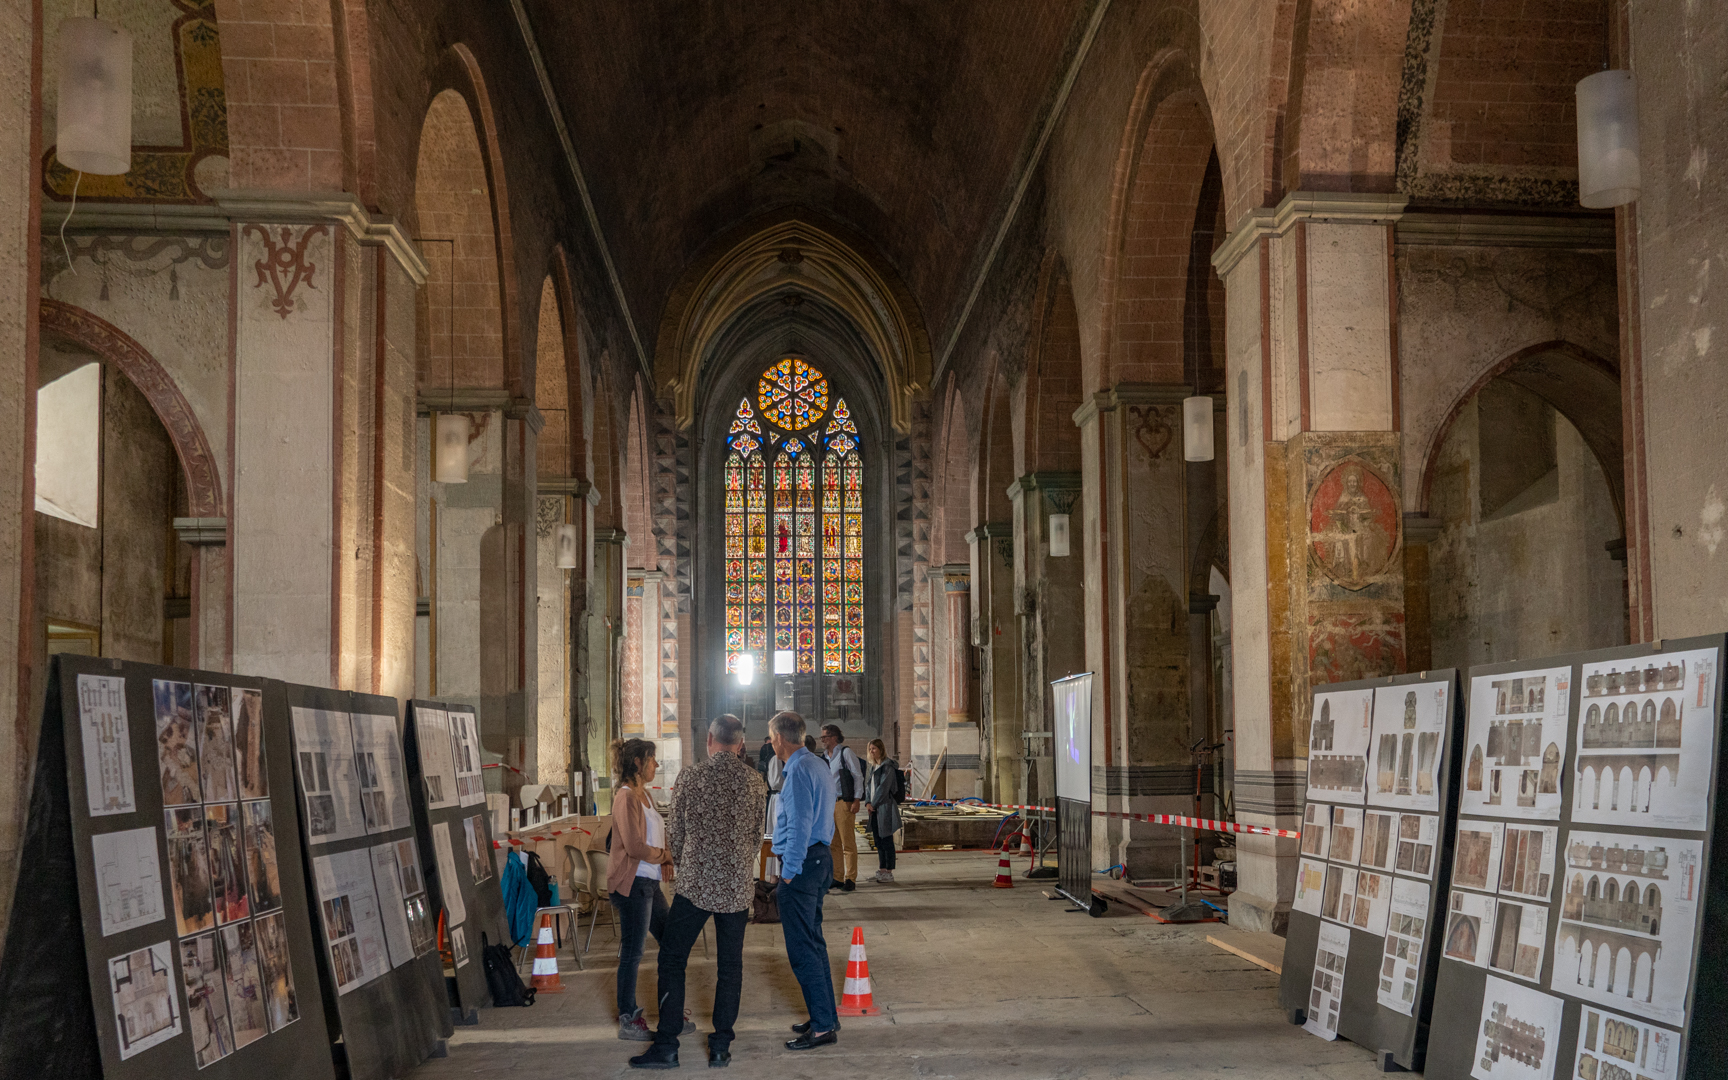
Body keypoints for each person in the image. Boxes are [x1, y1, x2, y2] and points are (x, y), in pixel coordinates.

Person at [628, 716, 767, 1070]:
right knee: (730, 966)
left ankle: (668, 1045)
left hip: (696, 886)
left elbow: (675, 834)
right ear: (739, 744)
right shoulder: (755, 782)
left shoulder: (690, 777)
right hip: (735, 887)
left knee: (672, 959)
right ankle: (721, 1046)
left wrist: (693, 860)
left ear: (709, 739)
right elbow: (756, 837)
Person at [769, 710, 839, 1050]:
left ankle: (823, 1026)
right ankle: (824, 1016)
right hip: (821, 857)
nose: (770, 743)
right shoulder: (818, 764)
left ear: (781, 739)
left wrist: (789, 872)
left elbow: (799, 824)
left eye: (771, 737)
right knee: (814, 943)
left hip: (804, 863)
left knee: (802, 950)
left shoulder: (797, 771)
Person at [605, 738, 681, 1041]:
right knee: (633, 953)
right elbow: (635, 847)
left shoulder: (645, 794)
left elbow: (655, 836)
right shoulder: (625, 797)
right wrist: (664, 856)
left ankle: (670, 1011)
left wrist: (663, 859)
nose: (656, 765)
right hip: (633, 883)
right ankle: (628, 1017)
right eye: (652, 759)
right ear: (638, 762)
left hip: (649, 882)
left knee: (671, 944)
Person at [819, 724, 865, 891]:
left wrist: (856, 799)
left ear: (833, 737)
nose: (822, 740)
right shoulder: (825, 757)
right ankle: (837, 876)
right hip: (829, 803)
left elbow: (857, 776)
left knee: (848, 843)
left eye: (825, 737)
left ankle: (850, 878)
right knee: (833, 843)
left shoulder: (845, 753)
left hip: (844, 802)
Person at [862, 738, 902, 883]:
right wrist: (867, 802)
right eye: (870, 749)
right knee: (878, 840)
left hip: (884, 806)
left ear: (880, 749)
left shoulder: (887, 767)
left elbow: (883, 788)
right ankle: (882, 869)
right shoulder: (873, 767)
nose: (871, 751)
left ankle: (889, 872)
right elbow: (868, 786)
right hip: (874, 808)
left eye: (874, 749)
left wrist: (873, 803)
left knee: (886, 839)